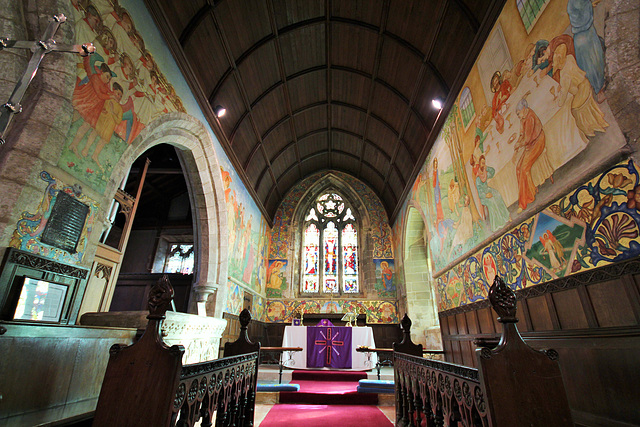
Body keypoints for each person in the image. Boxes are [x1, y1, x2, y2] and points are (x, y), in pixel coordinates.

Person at [511, 98, 547, 212]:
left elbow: (526, 139)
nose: (518, 116)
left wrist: (519, 144)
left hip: (537, 142)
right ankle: (530, 191)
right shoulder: (523, 118)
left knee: (523, 169)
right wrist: (517, 144)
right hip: (529, 145)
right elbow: (522, 135)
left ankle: (523, 203)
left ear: (524, 109)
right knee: (518, 168)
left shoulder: (530, 117)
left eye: (518, 113)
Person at [475, 156, 510, 231]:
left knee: (497, 195)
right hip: (483, 197)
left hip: (488, 190)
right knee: (492, 201)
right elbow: (480, 193)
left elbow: (493, 172)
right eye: (482, 163)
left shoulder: (485, 173)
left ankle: (506, 217)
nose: (483, 164)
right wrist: (486, 195)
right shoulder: (478, 179)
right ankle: (498, 224)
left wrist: (486, 168)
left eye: (484, 163)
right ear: (479, 163)